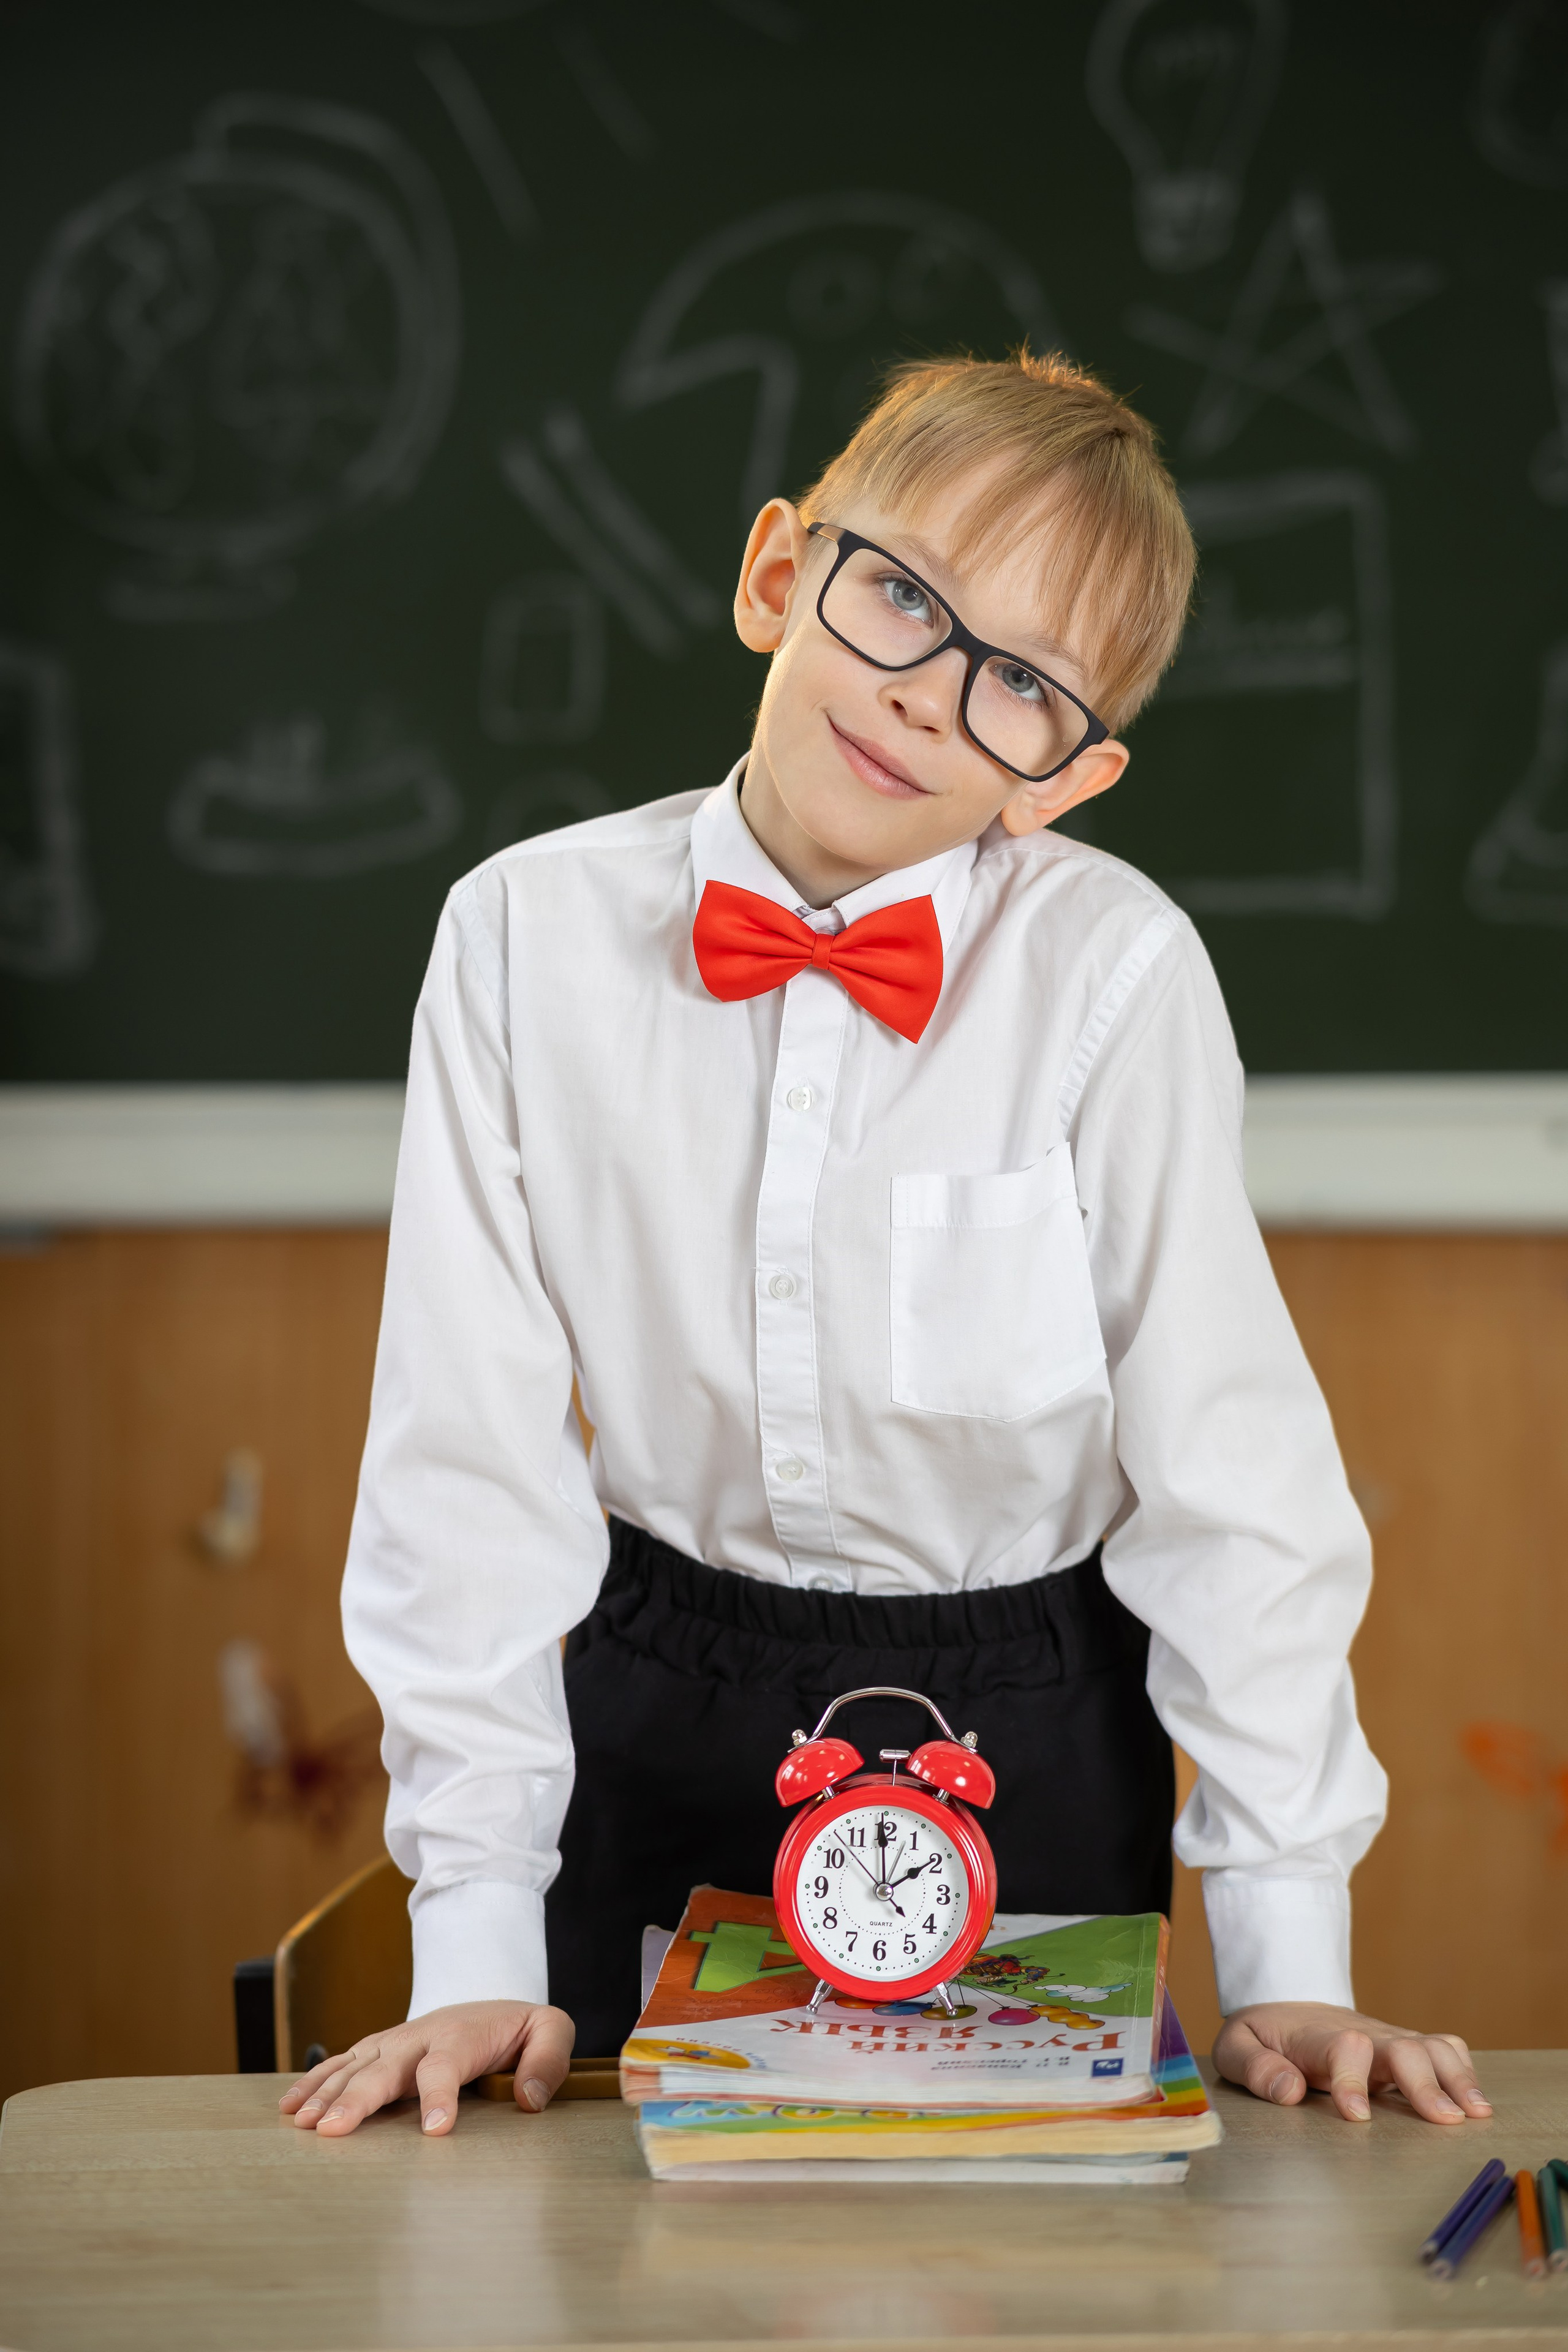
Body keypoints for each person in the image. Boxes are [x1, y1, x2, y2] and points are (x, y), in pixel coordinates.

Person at [282, 352, 1488, 2141]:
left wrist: (1289, 1955)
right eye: (905, 599)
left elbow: (1229, 1485)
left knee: (1018, 2286)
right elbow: (467, 1467)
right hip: (653, 1701)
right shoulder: (520, 936)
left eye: (1021, 687)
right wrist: (473, 1943)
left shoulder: (1116, 976)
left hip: (1036, 1726)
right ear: (780, 575)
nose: (931, 697)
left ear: (1064, 777)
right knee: (608, 2280)